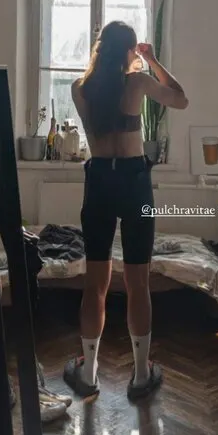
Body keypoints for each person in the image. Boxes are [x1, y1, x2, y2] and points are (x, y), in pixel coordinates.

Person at [62, 20, 189, 401]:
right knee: (138, 283)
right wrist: (154, 61)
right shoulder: (138, 83)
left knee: (95, 284)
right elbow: (180, 99)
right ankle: (140, 375)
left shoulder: (80, 88)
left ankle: (88, 373)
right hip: (133, 182)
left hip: (100, 179)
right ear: (130, 50)